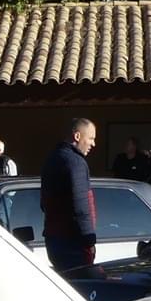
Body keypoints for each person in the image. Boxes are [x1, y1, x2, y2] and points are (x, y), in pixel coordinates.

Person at [40, 116, 98, 274]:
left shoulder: (52, 158)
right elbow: (81, 206)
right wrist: (89, 241)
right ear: (77, 136)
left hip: (53, 240)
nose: (93, 144)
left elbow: (44, 203)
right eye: (91, 138)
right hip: (73, 242)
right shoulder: (76, 162)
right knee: (80, 283)